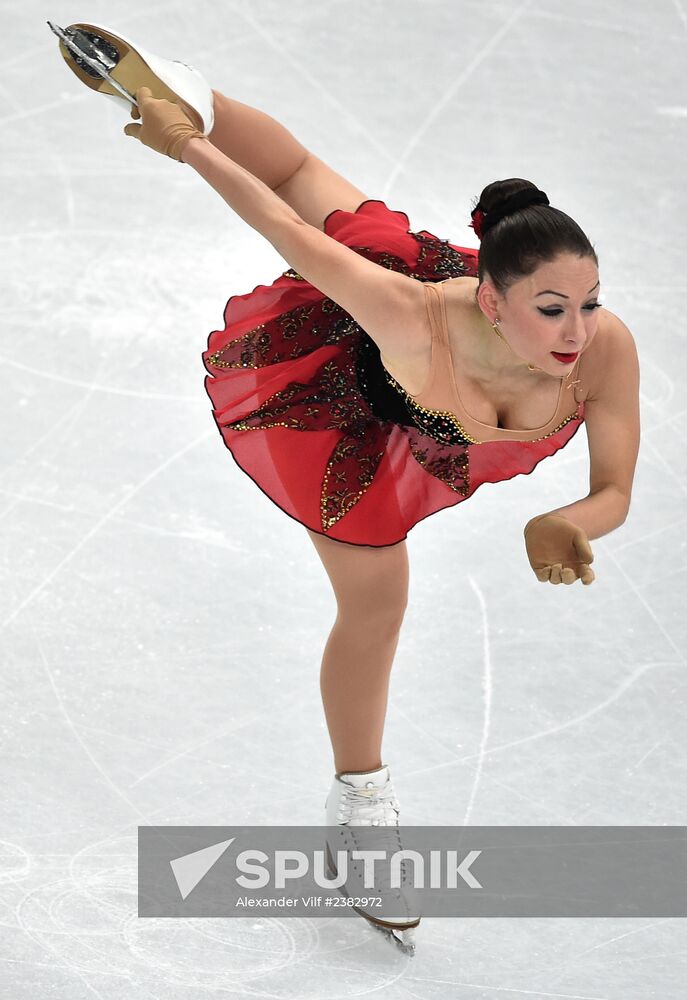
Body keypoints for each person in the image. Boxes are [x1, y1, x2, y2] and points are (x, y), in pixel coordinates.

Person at [55, 26, 640, 951]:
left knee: (331, 202)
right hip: (347, 402)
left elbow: (614, 484)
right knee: (375, 606)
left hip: (449, 362)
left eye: (590, 301)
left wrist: (569, 517)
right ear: (494, 300)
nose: (577, 331)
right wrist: (188, 141)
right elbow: (280, 220)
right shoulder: (407, 317)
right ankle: (359, 798)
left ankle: (194, 100)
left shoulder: (599, 347)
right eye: (553, 308)